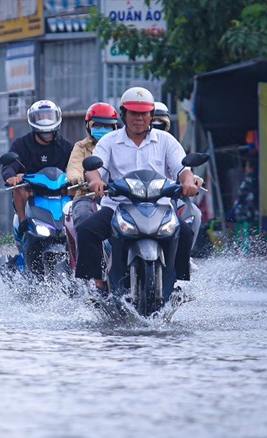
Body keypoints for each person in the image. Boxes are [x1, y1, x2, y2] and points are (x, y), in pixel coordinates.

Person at [75, 87, 200, 298]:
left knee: (185, 232)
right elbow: (94, 169)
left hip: (160, 207)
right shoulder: (110, 141)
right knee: (87, 230)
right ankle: (98, 285)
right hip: (118, 207)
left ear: (151, 115)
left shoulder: (166, 141)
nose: (139, 118)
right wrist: (96, 181)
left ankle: (176, 280)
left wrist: (188, 183)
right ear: (123, 114)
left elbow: (183, 170)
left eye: (144, 113)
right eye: (133, 113)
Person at [2, 100, 73, 234]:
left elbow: (76, 166)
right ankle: (23, 224)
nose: (45, 120)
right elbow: (10, 164)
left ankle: (74, 225)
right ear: (32, 119)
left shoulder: (65, 146)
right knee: (19, 188)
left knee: (76, 189)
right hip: (32, 192)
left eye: (49, 116)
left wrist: (79, 176)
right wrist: (11, 176)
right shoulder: (21, 144)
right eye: (41, 116)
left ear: (57, 117)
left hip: (59, 192)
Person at [65, 102, 119, 227]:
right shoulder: (81, 147)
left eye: (107, 126)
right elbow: (75, 165)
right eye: (97, 125)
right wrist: (76, 178)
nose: (102, 129)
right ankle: (84, 247)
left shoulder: (121, 145)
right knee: (83, 217)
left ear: (115, 127)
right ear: (89, 126)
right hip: (87, 195)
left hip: (118, 197)